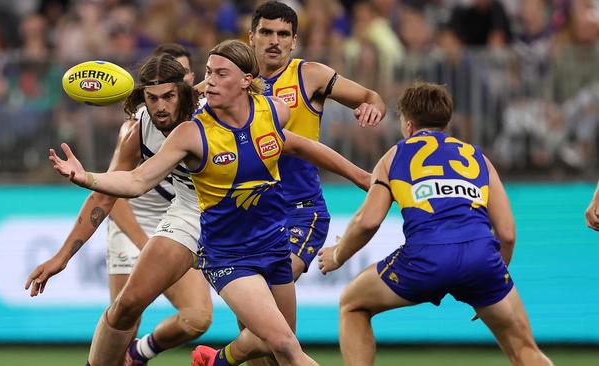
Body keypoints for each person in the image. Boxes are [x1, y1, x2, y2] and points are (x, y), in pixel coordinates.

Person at [49, 40, 369, 366]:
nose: (160, 106)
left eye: (171, 93)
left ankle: (217, 360)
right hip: (202, 221)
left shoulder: (269, 111)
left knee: (273, 342)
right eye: (208, 73)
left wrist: (361, 177)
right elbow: (133, 183)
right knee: (129, 304)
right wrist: (85, 179)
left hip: (265, 234)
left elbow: (297, 145)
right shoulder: (172, 130)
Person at [317, 82, 553, 366]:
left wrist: (338, 255)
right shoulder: (478, 157)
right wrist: (493, 280)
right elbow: (507, 233)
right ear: (446, 122)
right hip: (481, 259)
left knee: (353, 304)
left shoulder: (396, 155)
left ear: (408, 124)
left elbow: (367, 222)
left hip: (425, 258)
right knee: (525, 350)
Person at [26, 45, 213, 366]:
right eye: (152, 97)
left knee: (197, 318)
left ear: (188, 84)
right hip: (133, 218)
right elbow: (109, 196)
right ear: (143, 95)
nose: (161, 105)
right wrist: (62, 257)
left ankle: (137, 354)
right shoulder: (137, 130)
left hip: (185, 219)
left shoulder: (212, 116)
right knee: (128, 313)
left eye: (169, 93)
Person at [249, 0, 386, 281]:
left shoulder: (309, 75)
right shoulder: (234, 80)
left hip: (301, 209)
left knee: (274, 283)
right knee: (258, 314)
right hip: (252, 210)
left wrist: (373, 107)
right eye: (266, 32)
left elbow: (371, 97)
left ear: (294, 41)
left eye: (283, 34)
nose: (275, 41)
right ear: (251, 37)